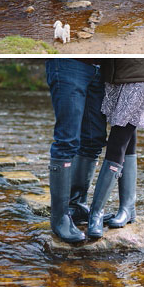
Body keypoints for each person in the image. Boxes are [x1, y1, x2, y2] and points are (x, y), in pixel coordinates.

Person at [86, 58, 144, 239]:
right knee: (127, 134)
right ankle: (128, 208)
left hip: (142, 76)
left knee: (118, 139)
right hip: (114, 75)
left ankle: (95, 213)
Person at [45, 59, 108, 243]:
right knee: (67, 140)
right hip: (69, 64)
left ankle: (77, 205)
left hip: (101, 67)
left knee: (94, 139)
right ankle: (59, 217)